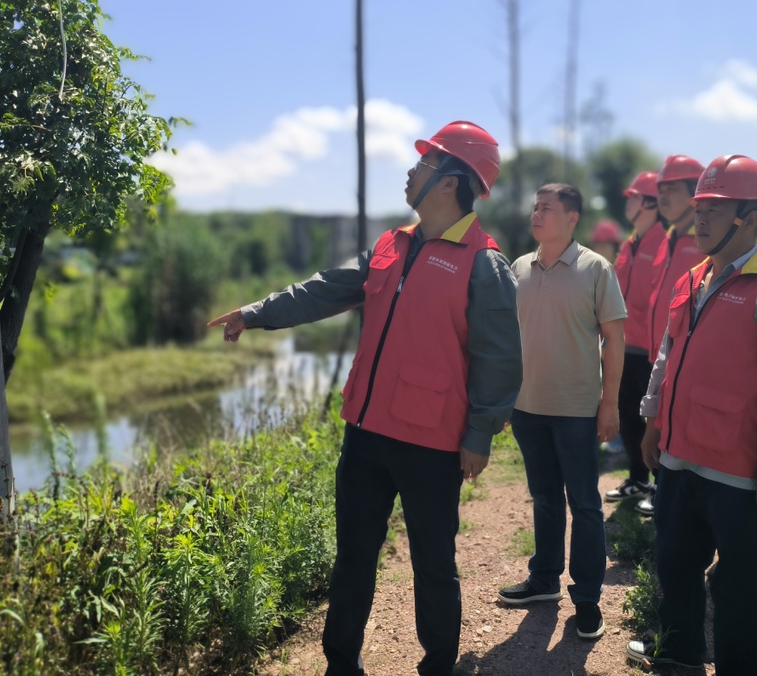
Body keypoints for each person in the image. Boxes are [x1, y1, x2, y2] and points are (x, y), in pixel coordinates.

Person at [208, 121, 523, 676]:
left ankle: (438, 666)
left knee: (433, 565)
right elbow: (326, 289)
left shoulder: (483, 263)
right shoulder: (390, 245)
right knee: (353, 557)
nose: (411, 171)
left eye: (424, 164)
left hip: (431, 443)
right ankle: (341, 665)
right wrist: (258, 313)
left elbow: (500, 358)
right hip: (367, 432)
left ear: (451, 182)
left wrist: (479, 434)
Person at [625, 155, 757, 676]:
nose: (701, 219)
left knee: (740, 587)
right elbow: (667, 356)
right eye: (700, 208)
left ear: (750, 218)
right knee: (675, 567)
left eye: (715, 209)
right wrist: (653, 422)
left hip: (737, 472)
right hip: (678, 459)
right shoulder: (691, 280)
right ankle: (680, 654)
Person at [497, 183, 627, 641]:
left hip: (577, 411)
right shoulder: (518, 268)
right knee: (545, 497)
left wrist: (609, 403)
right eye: (535, 207)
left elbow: (615, 339)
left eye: (546, 208)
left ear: (572, 218)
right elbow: (509, 338)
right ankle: (544, 579)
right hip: (527, 407)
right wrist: (506, 396)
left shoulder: (596, 269)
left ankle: (587, 598)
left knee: (585, 503)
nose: (536, 214)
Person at [635, 155, 707, 516]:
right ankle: (660, 492)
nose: (662, 197)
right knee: (656, 426)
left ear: (695, 194)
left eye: (673, 189)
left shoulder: (706, 242)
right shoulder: (667, 238)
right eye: (660, 190)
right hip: (657, 353)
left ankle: (674, 502)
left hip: (686, 356)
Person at [604, 171, 665, 504]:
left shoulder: (664, 243)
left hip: (651, 352)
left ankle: (661, 489)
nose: (627, 203)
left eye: (633, 198)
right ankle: (639, 480)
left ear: (650, 203)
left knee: (656, 422)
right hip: (624, 347)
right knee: (627, 416)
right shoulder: (630, 243)